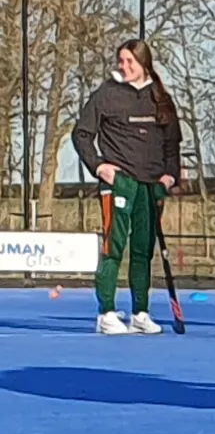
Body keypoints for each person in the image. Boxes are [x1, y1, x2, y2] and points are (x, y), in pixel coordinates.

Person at [72, 39, 181, 335]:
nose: (124, 66)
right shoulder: (107, 94)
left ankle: (140, 313)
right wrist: (100, 167)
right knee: (113, 248)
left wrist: (169, 177)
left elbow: (172, 145)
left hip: (151, 186)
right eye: (121, 60)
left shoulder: (160, 97)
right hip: (119, 183)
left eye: (130, 61)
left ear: (144, 62)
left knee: (143, 250)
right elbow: (82, 134)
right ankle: (106, 313)